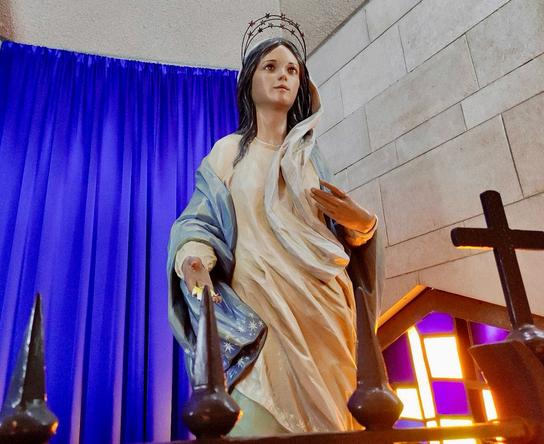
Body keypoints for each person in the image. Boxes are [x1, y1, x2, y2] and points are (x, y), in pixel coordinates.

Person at [167, 27, 381, 436]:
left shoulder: (309, 157)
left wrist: (362, 224)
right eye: (270, 67)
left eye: (292, 70)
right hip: (258, 304)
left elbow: (339, 233)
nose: (283, 75)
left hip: (322, 304)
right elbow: (198, 220)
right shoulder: (229, 152)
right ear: (250, 81)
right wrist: (194, 256)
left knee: (336, 424)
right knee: (258, 421)